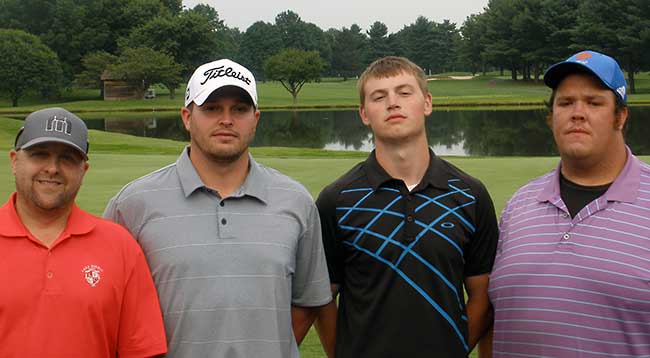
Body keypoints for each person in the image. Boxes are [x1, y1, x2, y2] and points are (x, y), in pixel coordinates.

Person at [104, 59, 332, 357]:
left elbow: (307, 300)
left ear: (256, 118)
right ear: (187, 117)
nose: (226, 119)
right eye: (211, 108)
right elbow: (110, 309)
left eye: (239, 109)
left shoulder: (295, 200)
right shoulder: (132, 204)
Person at [315, 56, 499, 358]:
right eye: (379, 96)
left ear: (426, 102)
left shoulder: (470, 195)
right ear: (364, 113)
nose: (392, 103)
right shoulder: (336, 200)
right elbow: (323, 300)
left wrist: (455, 348)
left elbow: (483, 294)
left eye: (404, 92)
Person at [488, 50, 650, 357]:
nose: (577, 112)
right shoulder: (518, 205)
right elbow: (494, 321)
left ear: (621, 116)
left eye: (593, 102)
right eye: (565, 103)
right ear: (551, 117)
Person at [0, 108, 167, 357]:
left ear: (83, 170)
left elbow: (141, 350)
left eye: (67, 158)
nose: (52, 168)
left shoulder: (119, 246)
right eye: (39, 155)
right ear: (15, 161)